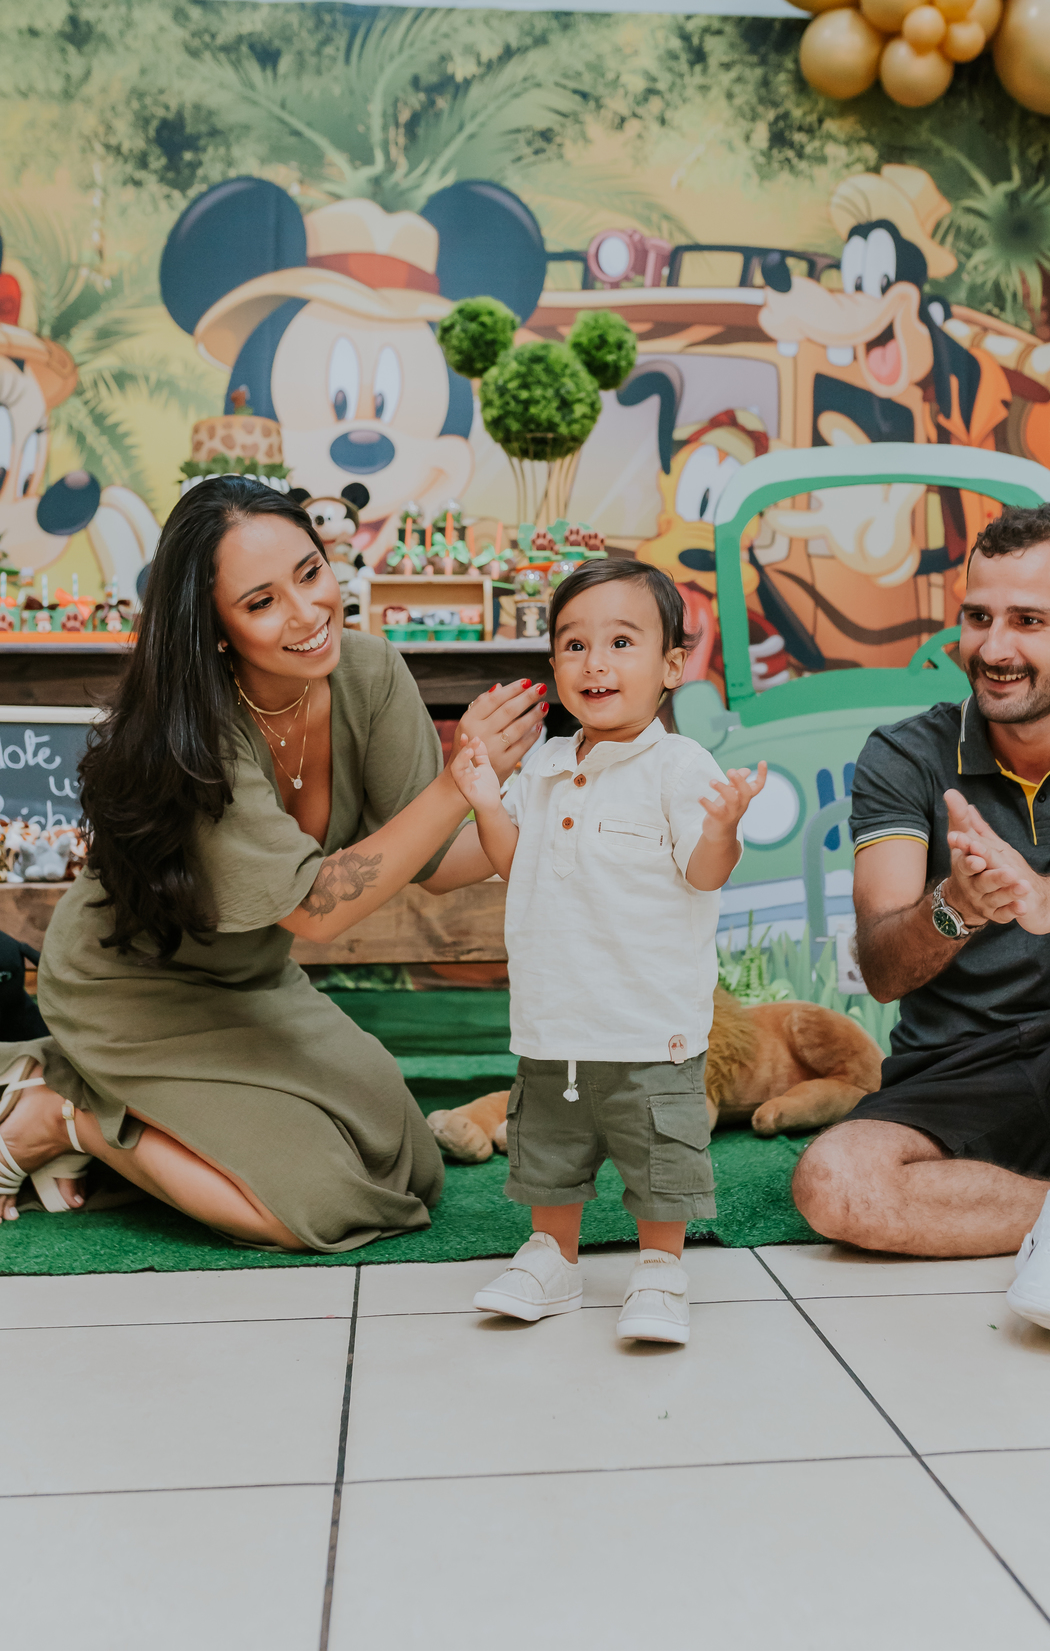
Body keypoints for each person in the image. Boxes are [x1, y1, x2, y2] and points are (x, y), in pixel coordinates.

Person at [0, 477, 544, 1251]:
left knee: (408, 1166)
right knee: (322, 1202)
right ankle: (65, 1117)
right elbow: (315, 910)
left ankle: (114, 1111)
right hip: (131, 991)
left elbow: (438, 860)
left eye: (310, 572)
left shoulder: (370, 674)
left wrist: (521, 813)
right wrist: (456, 782)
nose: (307, 612)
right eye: (261, 602)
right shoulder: (198, 735)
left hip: (250, 981)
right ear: (216, 628)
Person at [794, 503, 1050, 1350]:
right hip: (958, 1071)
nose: (994, 648)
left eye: (1028, 621)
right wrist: (955, 906)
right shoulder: (905, 756)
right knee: (831, 1184)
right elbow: (881, 967)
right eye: (978, 617)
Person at [431, 557, 765, 1345]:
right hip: (556, 1020)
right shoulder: (543, 764)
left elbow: (702, 870)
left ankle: (659, 1267)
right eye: (575, 645)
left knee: (659, 1154)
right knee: (550, 1147)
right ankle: (554, 1255)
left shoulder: (680, 767)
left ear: (671, 665)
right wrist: (484, 800)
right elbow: (515, 860)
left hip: (651, 1025)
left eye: (621, 641)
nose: (597, 662)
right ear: (554, 665)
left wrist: (723, 828)